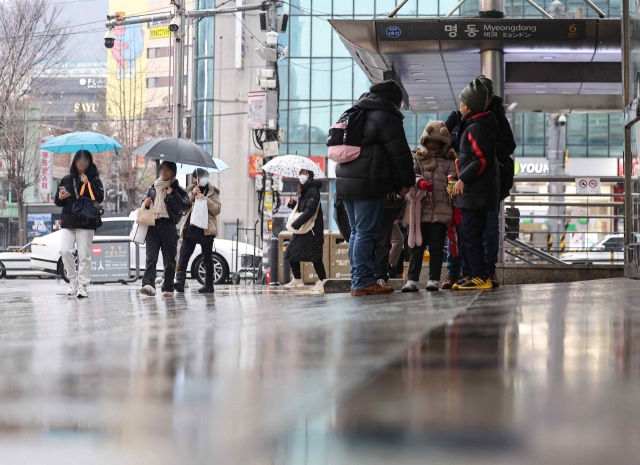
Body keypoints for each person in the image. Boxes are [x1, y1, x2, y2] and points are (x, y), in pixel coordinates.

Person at [336, 80, 415, 296]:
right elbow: (400, 154)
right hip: (368, 183)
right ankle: (362, 283)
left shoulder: (355, 111)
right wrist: (406, 182)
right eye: (400, 103)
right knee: (365, 232)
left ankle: (359, 280)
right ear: (395, 101)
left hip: (345, 180)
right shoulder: (385, 116)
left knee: (356, 232)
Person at [443, 74, 516, 289]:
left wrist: (487, 154)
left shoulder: (485, 122)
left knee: (483, 230)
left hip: (482, 185)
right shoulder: (463, 118)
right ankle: (463, 272)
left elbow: (488, 155)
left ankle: (483, 273)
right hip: (468, 184)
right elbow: (443, 140)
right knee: (465, 231)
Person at [451, 78, 499, 290]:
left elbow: (481, 159)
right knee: (469, 234)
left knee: (471, 234)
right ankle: (471, 274)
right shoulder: (475, 124)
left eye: (461, 103)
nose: (459, 106)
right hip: (475, 193)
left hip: (475, 193)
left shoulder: (476, 127)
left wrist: (462, 179)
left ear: (468, 106)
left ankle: (480, 276)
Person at [401, 121, 457, 293]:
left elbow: (454, 176)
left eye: (436, 141)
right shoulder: (416, 156)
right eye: (430, 141)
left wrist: (452, 184)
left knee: (436, 246)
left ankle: (434, 279)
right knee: (415, 248)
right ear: (424, 140)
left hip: (441, 211)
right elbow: (413, 173)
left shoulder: (449, 159)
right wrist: (421, 182)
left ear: (443, 142)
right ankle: (412, 280)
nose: (433, 145)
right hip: (419, 211)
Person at [54, 150, 104, 298]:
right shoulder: (67, 179)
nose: (82, 162)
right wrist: (60, 197)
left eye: (85, 159)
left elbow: (99, 198)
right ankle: (73, 279)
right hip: (69, 222)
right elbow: (57, 202)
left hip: (86, 222)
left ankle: (83, 285)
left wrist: (88, 184)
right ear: (75, 161)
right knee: (65, 251)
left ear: (90, 162)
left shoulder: (94, 179)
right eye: (79, 159)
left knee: (84, 255)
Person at [140, 161, 191, 297]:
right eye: (162, 169)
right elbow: (143, 203)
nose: (163, 171)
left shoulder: (178, 189)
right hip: (152, 225)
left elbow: (184, 206)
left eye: (167, 169)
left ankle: (168, 287)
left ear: (173, 172)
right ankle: (148, 285)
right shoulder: (153, 187)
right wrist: (145, 203)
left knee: (169, 259)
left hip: (168, 225)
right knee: (151, 258)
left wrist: (172, 195)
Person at [175, 168, 221, 294]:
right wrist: (191, 195)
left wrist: (206, 200)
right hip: (191, 228)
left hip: (206, 229)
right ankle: (179, 283)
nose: (203, 179)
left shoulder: (213, 191)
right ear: (195, 179)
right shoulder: (189, 190)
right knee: (184, 256)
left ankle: (208, 285)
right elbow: (182, 208)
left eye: (205, 176)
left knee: (207, 258)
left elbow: (217, 210)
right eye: (200, 177)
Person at [283, 169, 327, 292]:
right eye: (301, 173)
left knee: (315, 256)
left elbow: (310, 211)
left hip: (312, 229)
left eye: (305, 174)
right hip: (304, 228)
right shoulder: (304, 190)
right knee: (291, 252)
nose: (302, 176)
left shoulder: (313, 190)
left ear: (310, 176)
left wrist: (296, 224)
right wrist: (293, 204)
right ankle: (297, 279)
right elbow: (303, 209)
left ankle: (323, 280)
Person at [374, 193, 404, 283]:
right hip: (386, 205)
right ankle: (382, 271)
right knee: (384, 241)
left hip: (367, 202)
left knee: (364, 238)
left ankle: (363, 274)